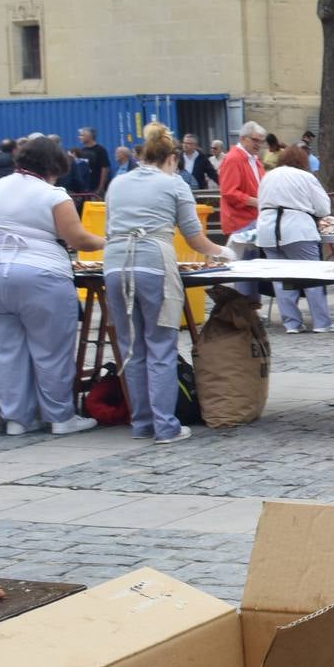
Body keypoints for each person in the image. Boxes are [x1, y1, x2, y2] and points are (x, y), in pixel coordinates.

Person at [103, 123, 234, 442]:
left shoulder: (118, 183)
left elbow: (109, 226)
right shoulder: (174, 184)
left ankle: (142, 422)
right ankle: (165, 425)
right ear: (172, 158)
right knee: (160, 346)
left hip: (115, 263)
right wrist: (224, 252)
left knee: (131, 347)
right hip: (153, 263)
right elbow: (195, 237)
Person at [0, 138, 106, 435]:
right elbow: (77, 239)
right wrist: (108, 241)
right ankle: (60, 417)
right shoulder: (54, 195)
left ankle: (18, 419)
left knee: (3, 351)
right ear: (54, 166)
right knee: (51, 349)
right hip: (39, 275)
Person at [253, 146, 334, 335]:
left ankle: (292, 323)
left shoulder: (268, 176)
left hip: (268, 230)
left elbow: (260, 203)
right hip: (297, 229)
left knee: (282, 279)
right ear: (302, 161)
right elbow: (323, 207)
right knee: (312, 276)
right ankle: (321, 322)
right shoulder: (305, 177)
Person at [218, 121, 268, 299]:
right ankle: (245, 308)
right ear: (243, 138)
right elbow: (229, 192)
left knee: (253, 268)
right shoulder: (233, 159)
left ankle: (251, 307)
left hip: (253, 220)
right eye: (255, 140)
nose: (259, 145)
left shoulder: (253, 159)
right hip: (241, 221)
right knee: (245, 269)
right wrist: (255, 202)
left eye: (261, 141)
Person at [77, 127, 113, 197]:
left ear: (89, 136)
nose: (79, 137)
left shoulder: (100, 150)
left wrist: (101, 187)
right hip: (86, 189)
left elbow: (105, 168)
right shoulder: (82, 150)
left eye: (82, 135)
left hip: (96, 188)